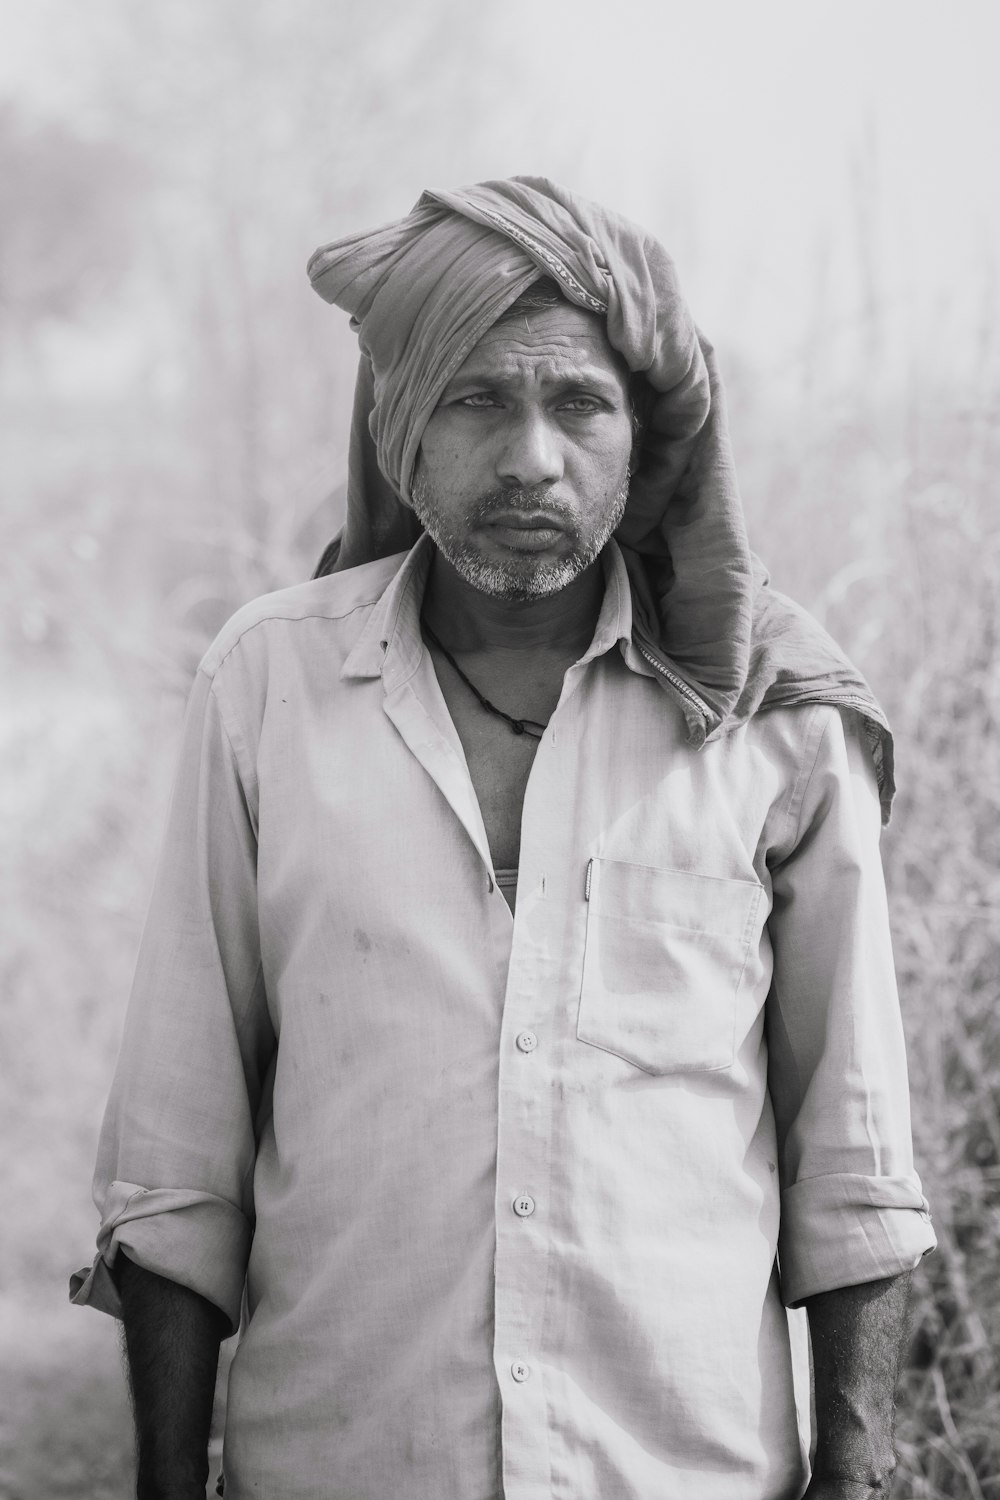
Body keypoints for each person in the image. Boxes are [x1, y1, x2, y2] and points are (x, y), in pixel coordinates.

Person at [72, 177, 935, 1500]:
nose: (531, 459)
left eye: (579, 404)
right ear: (401, 431)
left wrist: (857, 1477)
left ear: (642, 444)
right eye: (477, 400)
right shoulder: (268, 688)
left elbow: (856, 1165)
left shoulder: (772, 723)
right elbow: (179, 1167)